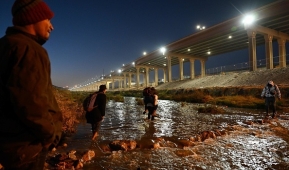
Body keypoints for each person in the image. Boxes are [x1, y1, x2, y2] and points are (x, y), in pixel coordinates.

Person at [0, 0, 63, 169]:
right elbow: (31, 103)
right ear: (33, 18)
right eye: (48, 20)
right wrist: (50, 134)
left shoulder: (6, 44)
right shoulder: (29, 49)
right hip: (26, 145)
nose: (51, 27)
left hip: (8, 144)